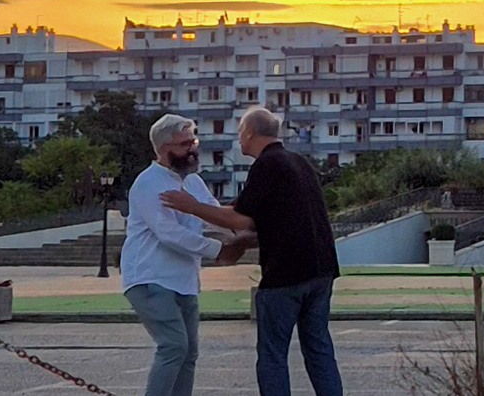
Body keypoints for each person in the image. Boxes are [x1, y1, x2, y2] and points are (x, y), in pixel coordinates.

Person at [162, 107, 341, 396]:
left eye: (239, 133)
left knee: (272, 355)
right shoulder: (298, 162)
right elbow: (265, 216)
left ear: (249, 133)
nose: (239, 140)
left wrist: (189, 205)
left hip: (286, 274)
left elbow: (242, 219)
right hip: (322, 270)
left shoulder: (267, 165)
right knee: (319, 347)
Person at [122, 114, 248, 396]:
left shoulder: (193, 182)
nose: (192, 149)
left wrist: (245, 230)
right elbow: (168, 233)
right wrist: (219, 250)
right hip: (150, 278)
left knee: (189, 354)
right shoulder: (148, 183)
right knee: (173, 346)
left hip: (184, 281)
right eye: (184, 144)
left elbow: (214, 214)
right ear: (163, 149)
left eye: (194, 141)